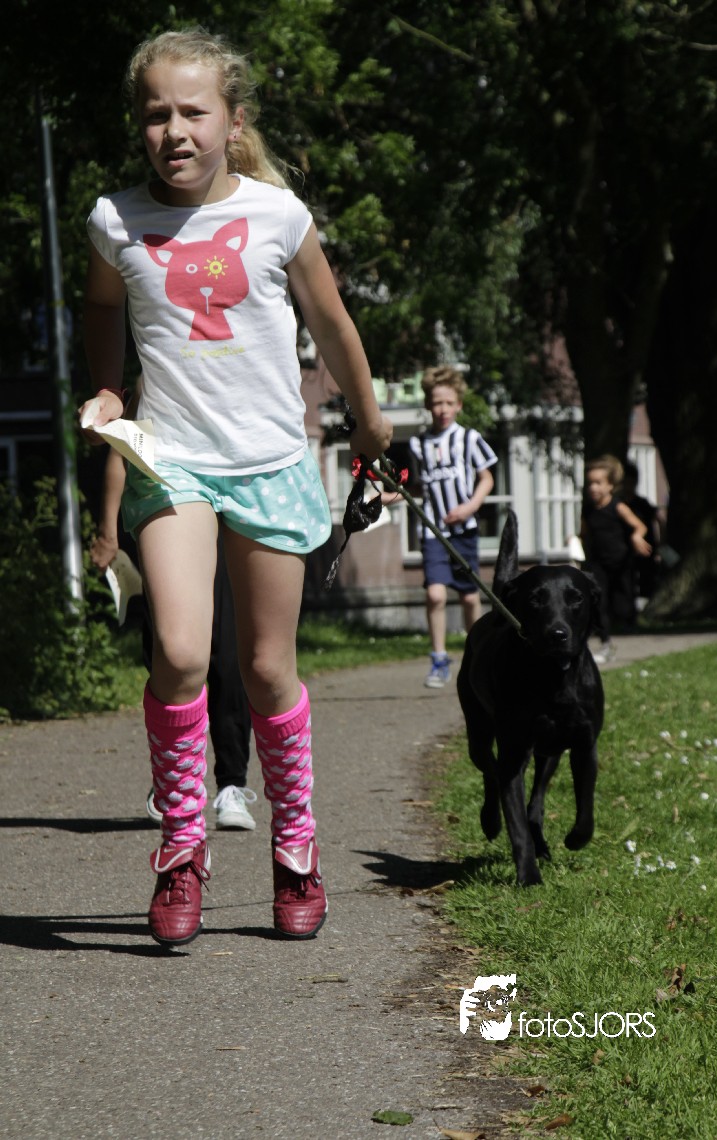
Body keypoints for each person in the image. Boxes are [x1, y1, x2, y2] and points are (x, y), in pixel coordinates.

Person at [78, 27, 392, 948]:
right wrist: (107, 387)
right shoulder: (114, 220)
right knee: (179, 651)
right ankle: (182, 851)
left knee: (264, 668)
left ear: (233, 121)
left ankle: (296, 850)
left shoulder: (278, 217)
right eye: (156, 114)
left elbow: (332, 324)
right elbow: (102, 309)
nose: (174, 131)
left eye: (193, 112)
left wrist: (370, 420)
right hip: (172, 460)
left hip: (270, 462)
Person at [91, 443, 257, 832]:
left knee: (227, 655)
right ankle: (175, 775)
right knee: (168, 653)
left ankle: (231, 784)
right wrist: (108, 531)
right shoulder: (150, 399)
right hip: (164, 508)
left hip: (226, 511)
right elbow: (119, 452)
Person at [408, 366, 497, 688]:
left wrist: (470, 506)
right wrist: (390, 494)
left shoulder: (469, 439)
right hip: (433, 532)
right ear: (428, 405)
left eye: (448, 403)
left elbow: (487, 478)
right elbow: (418, 487)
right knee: (435, 595)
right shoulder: (418, 444)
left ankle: (477, 657)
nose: (442, 409)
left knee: (470, 598)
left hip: (464, 530)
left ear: (458, 404)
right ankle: (439, 659)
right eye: (436, 403)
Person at [580, 454, 651, 665]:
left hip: (620, 562)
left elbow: (640, 526)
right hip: (597, 563)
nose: (593, 488)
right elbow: (584, 533)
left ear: (610, 485)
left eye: (598, 483)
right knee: (598, 603)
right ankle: (605, 642)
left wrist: (636, 536)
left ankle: (630, 626)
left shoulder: (618, 507)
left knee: (622, 604)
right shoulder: (587, 509)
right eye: (590, 483)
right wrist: (574, 541)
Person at [621, 460, 662, 604]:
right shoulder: (619, 504)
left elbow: (659, 519)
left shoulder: (643, 504)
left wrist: (661, 543)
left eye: (631, 482)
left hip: (645, 549)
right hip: (625, 551)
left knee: (647, 582)